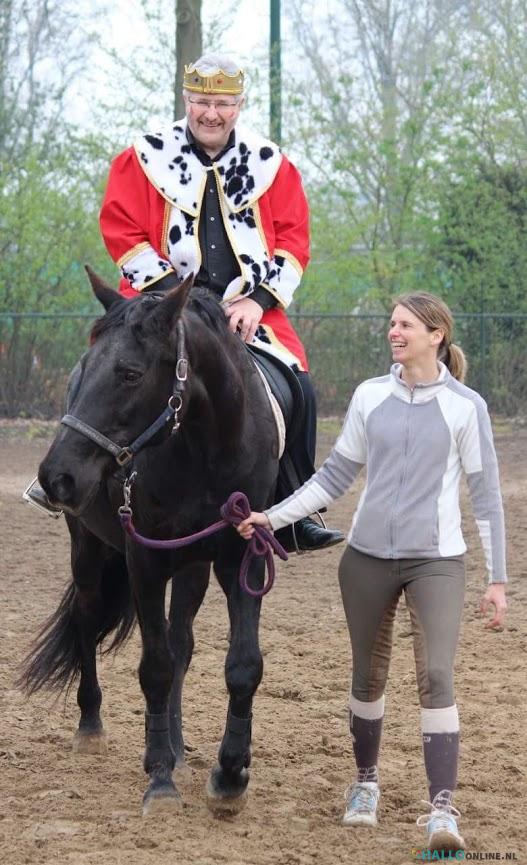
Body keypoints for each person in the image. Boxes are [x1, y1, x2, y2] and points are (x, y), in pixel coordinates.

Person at [236, 291, 508, 853]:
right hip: (364, 560)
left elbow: (486, 500)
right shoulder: (370, 396)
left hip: (436, 561)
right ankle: (365, 785)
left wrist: (498, 579)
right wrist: (273, 515)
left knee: (436, 675)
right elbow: (331, 479)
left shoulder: (466, 407)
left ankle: (441, 810)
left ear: (436, 335)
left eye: (405, 324)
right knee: (368, 677)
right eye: (391, 323)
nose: (393, 332)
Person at [97, 52, 343, 553]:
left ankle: (293, 507)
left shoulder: (271, 165)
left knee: (299, 387)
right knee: (103, 369)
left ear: (239, 105)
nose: (212, 113)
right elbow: (121, 230)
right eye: (202, 101)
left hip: (247, 311)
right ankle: (75, 483)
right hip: (157, 304)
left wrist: (259, 300)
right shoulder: (144, 157)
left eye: (223, 103)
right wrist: (171, 299)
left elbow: (294, 241)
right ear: (186, 100)